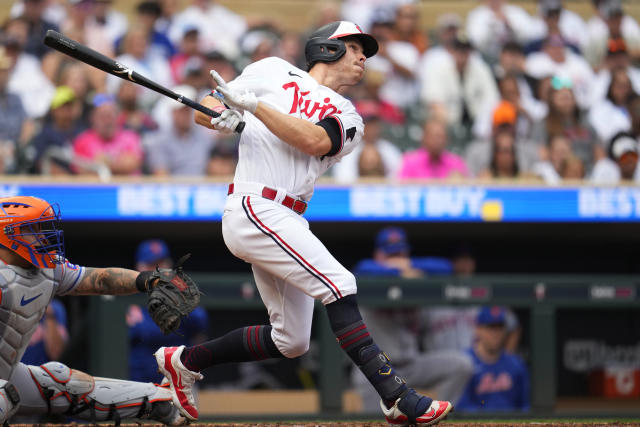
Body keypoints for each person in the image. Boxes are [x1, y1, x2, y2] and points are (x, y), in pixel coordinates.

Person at [154, 21, 453, 426]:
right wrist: (219, 115)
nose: (363, 57)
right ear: (328, 48)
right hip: (255, 203)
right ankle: (396, 396)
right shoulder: (271, 69)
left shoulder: (349, 117)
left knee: (291, 341)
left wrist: (255, 108)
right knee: (340, 284)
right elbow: (208, 107)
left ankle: (185, 361)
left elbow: (313, 140)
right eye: (354, 47)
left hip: (286, 215)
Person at [0, 196, 186, 425]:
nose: (43, 237)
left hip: (7, 376)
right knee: (3, 395)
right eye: (33, 230)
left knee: (62, 382)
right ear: (7, 234)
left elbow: (99, 280)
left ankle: (157, 403)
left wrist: (148, 280)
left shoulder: (49, 268)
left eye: (42, 228)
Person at [350, 228, 472, 413]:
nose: (397, 259)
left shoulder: (413, 272)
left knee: (461, 365)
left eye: (400, 254)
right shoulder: (369, 275)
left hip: (412, 365)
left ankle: (432, 418)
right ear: (378, 255)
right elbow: (362, 268)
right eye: (391, 255)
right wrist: (397, 269)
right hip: (376, 371)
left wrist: (408, 266)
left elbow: (446, 267)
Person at [128, 240, 208, 383]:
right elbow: (140, 334)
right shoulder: (129, 293)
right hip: (140, 379)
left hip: (178, 377)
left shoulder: (179, 287)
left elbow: (200, 320)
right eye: (152, 264)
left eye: (162, 263)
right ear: (140, 267)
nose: (159, 269)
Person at [456, 306, 530, 412]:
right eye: (490, 327)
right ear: (478, 329)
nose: (495, 333)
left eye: (500, 327)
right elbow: (462, 406)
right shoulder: (464, 363)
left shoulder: (516, 364)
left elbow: (525, 406)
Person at [397, 119, 469, 179]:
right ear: (423, 138)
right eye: (432, 136)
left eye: (440, 137)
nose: (436, 141)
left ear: (447, 139)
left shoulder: (456, 163)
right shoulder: (410, 162)